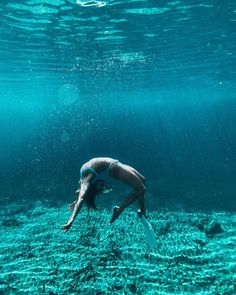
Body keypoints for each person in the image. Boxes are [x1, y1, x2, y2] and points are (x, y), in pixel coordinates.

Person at [61, 157, 146, 233]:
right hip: (114, 167)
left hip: (116, 163)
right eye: (101, 187)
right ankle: (119, 210)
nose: (102, 185)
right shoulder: (85, 183)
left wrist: (75, 202)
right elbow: (81, 197)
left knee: (142, 180)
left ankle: (142, 210)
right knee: (141, 189)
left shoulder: (83, 182)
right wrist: (71, 220)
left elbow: (80, 195)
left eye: (99, 188)